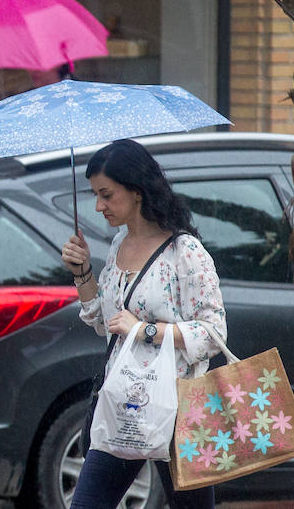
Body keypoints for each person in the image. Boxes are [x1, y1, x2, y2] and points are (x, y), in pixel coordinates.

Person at [61, 139, 226, 508]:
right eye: (95, 195)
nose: (99, 206)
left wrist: (145, 330)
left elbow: (213, 332)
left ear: (136, 191)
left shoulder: (185, 252)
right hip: (127, 404)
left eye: (106, 194)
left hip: (182, 410)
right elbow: (105, 324)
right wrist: (83, 272)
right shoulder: (119, 244)